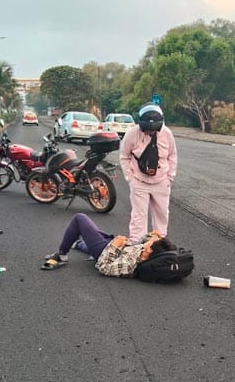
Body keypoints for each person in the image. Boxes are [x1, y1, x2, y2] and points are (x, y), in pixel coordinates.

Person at [41, 213, 176, 277]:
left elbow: (104, 267)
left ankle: (62, 255)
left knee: (79, 219)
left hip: (104, 251)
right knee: (87, 238)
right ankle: (78, 243)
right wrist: (153, 237)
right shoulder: (149, 254)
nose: (149, 241)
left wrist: (115, 245)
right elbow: (150, 246)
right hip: (115, 245)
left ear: (149, 252)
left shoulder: (130, 264)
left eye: (150, 243)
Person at [119, 103, 178, 243]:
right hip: (139, 181)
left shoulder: (167, 133)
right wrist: (130, 179)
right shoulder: (132, 133)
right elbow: (124, 156)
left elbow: (172, 155)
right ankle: (137, 244)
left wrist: (170, 177)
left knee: (162, 214)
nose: (150, 132)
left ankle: (159, 242)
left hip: (161, 180)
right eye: (147, 130)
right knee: (139, 215)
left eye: (154, 130)